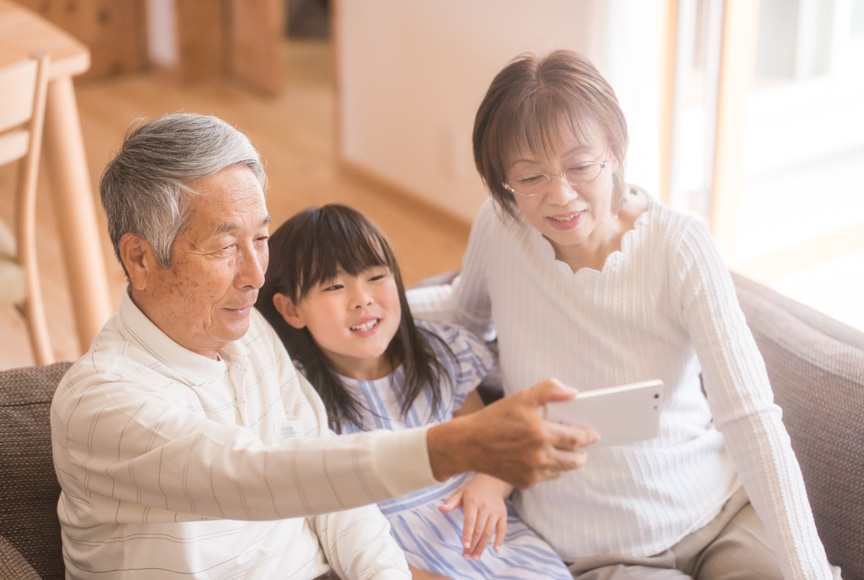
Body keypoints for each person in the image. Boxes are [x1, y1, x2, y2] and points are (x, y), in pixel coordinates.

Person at [49, 113, 599, 579]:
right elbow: (257, 477)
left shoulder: (252, 336)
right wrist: (457, 445)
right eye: (224, 247)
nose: (255, 276)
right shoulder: (102, 405)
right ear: (140, 258)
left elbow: (337, 501)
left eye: (261, 239)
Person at [407, 50, 842, 579]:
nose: (560, 195)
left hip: (719, 514)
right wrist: (374, 308)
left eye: (579, 166)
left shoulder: (678, 246)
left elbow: (750, 416)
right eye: (530, 177)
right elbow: (463, 315)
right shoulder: (500, 229)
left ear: (614, 151)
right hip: (599, 550)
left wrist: (812, 571)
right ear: (502, 181)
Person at [255, 203, 572, 579]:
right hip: (393, 558)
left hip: (491, 540)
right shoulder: (297, 397)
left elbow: (494, 444)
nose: (362, 298)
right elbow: (331, 530)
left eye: (375, 276)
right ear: (291, 310)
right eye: (335, 286)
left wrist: (489, 485)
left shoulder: (440, 356)